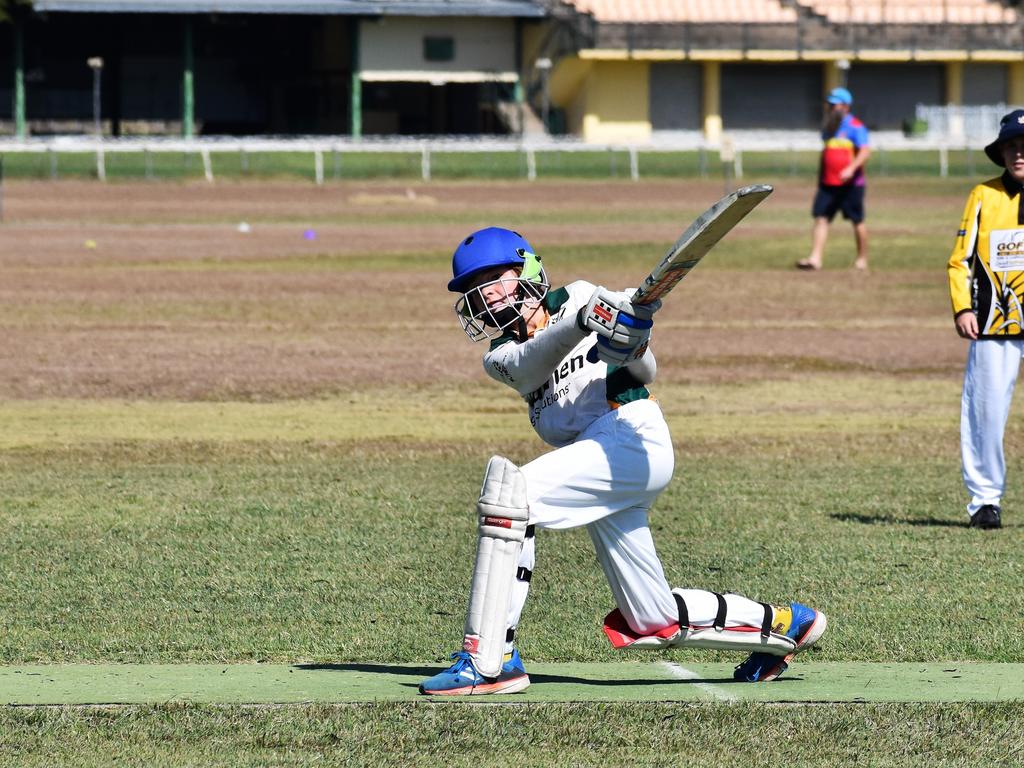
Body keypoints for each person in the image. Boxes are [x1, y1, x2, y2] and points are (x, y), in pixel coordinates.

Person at [418, 226, 828, 695]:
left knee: (511, 497)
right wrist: (584, 325)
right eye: (473, 287)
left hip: (631, 436)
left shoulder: (579, 296)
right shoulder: (502, 357)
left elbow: (644, 368)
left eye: (495, 276)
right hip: (597, 459)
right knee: (652, 617)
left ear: (528, 269)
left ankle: (489, 661)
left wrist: (631, 341)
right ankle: (784, 626)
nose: (484, 292)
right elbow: (535, 361)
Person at [947, 109, 1024, 530]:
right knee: (986, 411)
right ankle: (984, 501)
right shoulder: (983, 195)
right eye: (1011, 146)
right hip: (995, 320)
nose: (1018, 154)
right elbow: (960, 261)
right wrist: (962, 307)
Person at [796, 86, 872, 271]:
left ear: (846, 106)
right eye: (829, 105)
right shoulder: (828, 128)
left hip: (851, 184)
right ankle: (815, 259)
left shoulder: (856, 126)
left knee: (857, 221)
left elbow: (865, 151)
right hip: (828, 184)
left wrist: (851, 169)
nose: (830, 108)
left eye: (834, 105)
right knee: (821, 218)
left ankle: (862, 259)